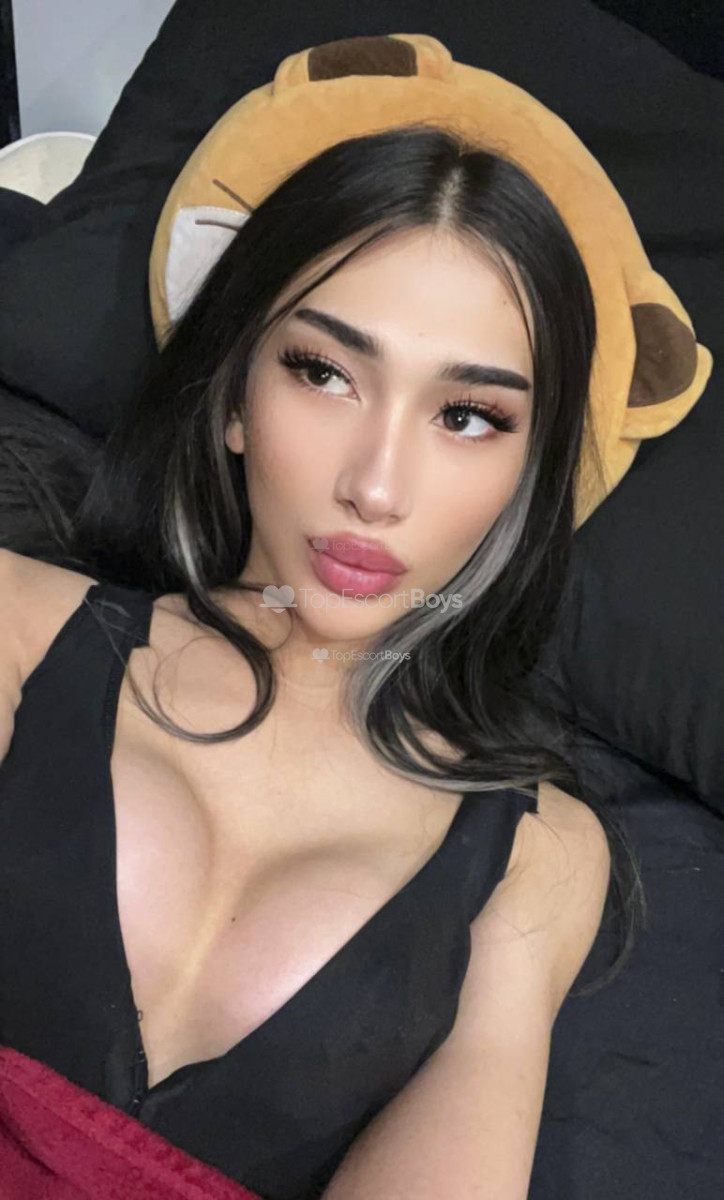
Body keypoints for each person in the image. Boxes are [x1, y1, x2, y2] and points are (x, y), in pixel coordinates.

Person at [0, 124, 622, 1200]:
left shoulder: (540, 857)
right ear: (234, 397)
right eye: (325, 373)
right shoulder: (12, 625)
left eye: (469, 416)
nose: (375, 487)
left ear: (528, 477)